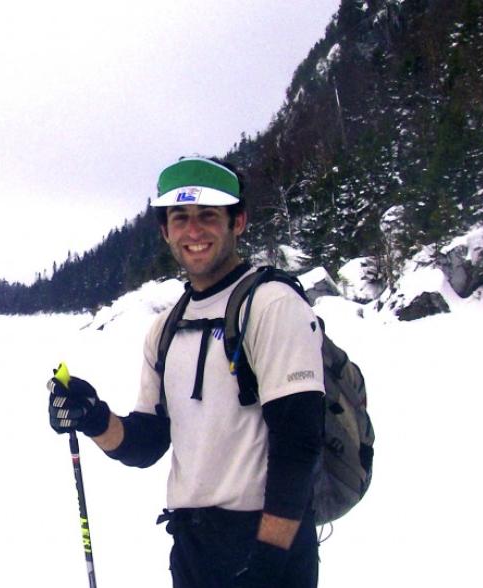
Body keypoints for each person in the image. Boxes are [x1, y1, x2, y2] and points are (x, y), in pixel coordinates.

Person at [48, 156, 325, 588]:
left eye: (208, 216)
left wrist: (270, 561)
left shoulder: (271, 305)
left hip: (268, 543)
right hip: (193, 546)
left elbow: (299, 445)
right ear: (165, 230)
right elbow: (149, 441)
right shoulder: (165, 328)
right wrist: (94, 419)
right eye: (180, 218)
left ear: (238, 221)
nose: (193, 231)